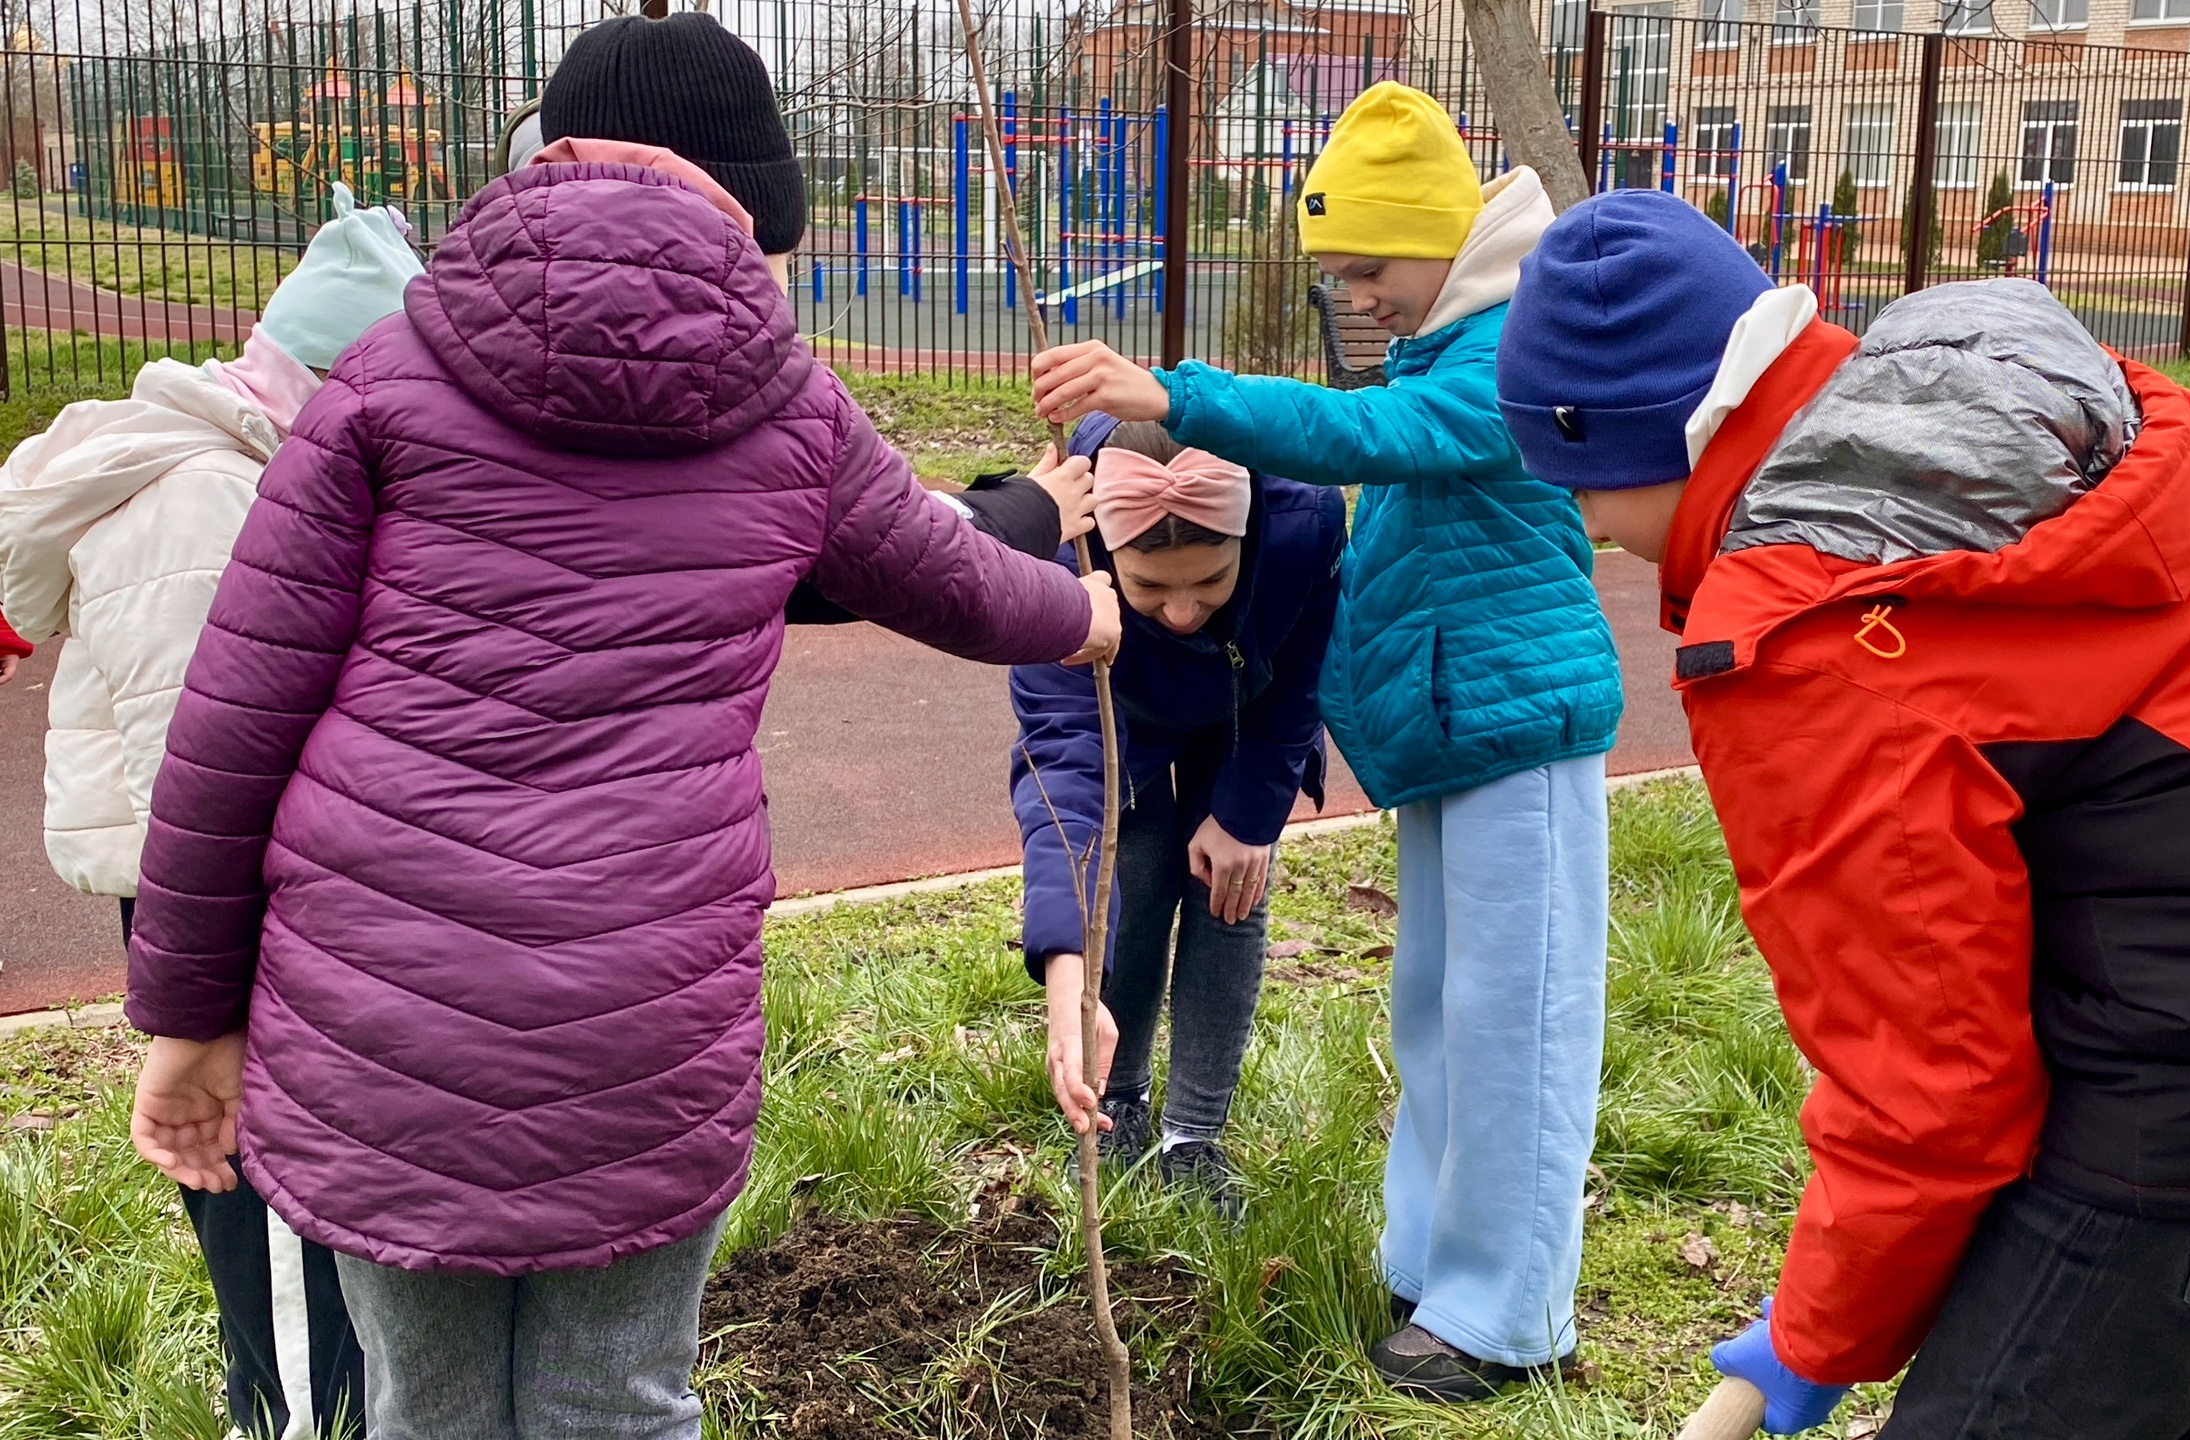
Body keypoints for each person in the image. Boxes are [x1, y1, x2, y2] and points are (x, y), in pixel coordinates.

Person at [118, 15, 1119, 1439]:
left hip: (385, 1019)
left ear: (542, 161)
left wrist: (186, 1014)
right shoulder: (791, 407)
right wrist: (1082, 614)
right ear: (755, 213)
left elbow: (234, 725)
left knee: (426, 1414)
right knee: (623, 1403)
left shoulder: (384, 380)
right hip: (641, 1017)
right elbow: (951, 577)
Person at [1494, 189, 2190, 1439]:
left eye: (1577, 479)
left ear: (1640, 437)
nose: (1582, 520)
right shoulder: (2020, 379)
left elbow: (1928, 1086)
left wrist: (1819, 1329)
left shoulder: (1801, 637)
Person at [1031, 82, 1622, 1401]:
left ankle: (1507, 1315)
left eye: (1369, 268)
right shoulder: (1445, 342)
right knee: (1440, 1013)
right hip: (1455, 735)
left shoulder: (1506, 352)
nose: (1356, 296)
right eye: (1340, 273)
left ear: (1437, 236)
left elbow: (1366, 437)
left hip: (1518, 732)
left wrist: (1174, 396)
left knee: (1515, 1023)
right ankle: (1433, 1266)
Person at [0, 179, 419, 1439]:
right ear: (337, 382)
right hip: (221, 906)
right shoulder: (205, 501)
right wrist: (213, 1011)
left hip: (249, 893)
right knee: (275, 1207)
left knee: (302, 1186)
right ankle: (298, 1415)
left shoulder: (245, 463)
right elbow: (204, 778)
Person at [1021, 416, 1346, 1218]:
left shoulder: (1304, 516)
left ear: (1248, 531)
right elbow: (1063, 767)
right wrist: (1066, 964)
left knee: (1229, 887)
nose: (1180, 611)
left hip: (1246, 708)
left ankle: (1193, 1137)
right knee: (1129, 878)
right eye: (1151, 587)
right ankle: (1119, 1101)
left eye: (1209, 580)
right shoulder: (1055, 558)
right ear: (1105, 554)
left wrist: (1250, 814)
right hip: (1118, 709)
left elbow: (1305, 674)